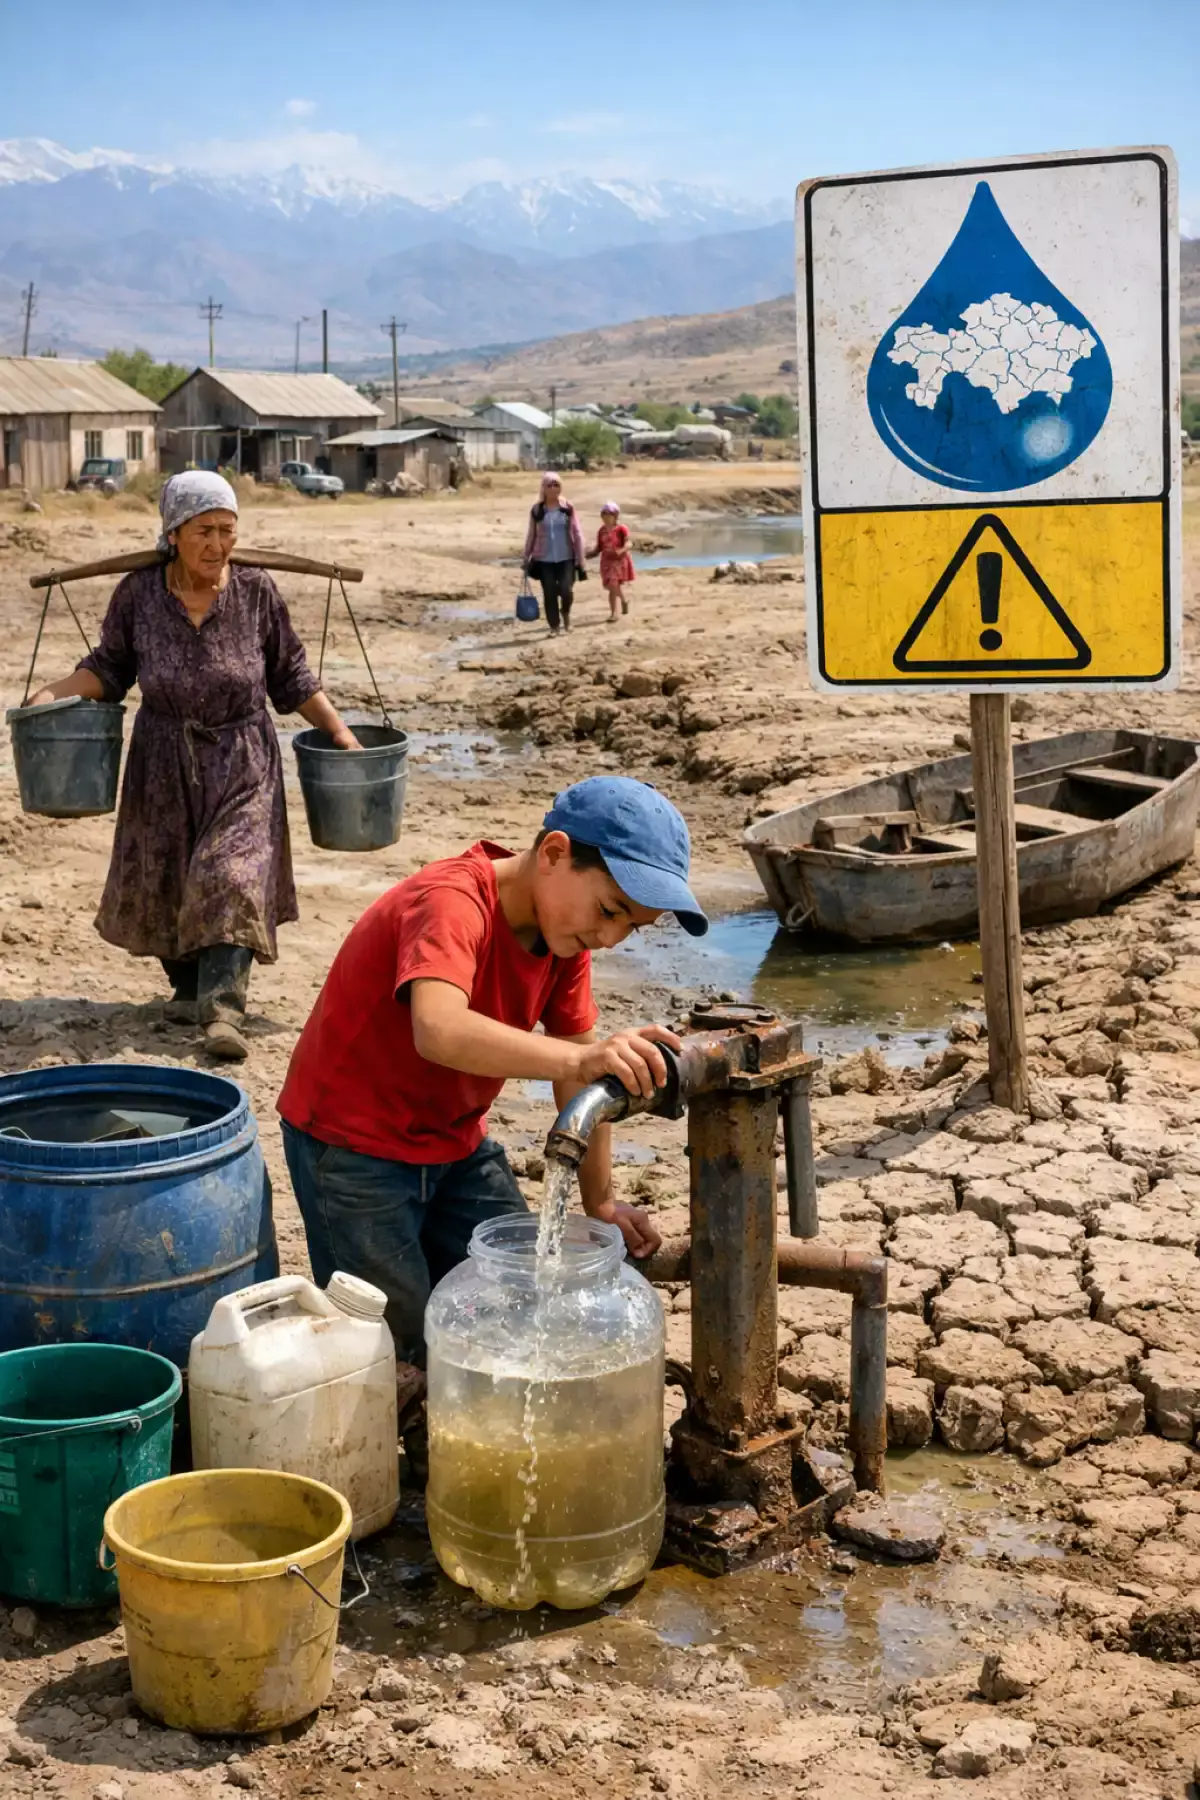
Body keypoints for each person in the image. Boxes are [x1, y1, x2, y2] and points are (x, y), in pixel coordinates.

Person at [277, 775, 709, 1371]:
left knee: (523, 1291)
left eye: (630, 927)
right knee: (392, 1337)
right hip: (351, 1147)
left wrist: (601, 1203)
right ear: (555, 853)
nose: (609, 937)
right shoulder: (452, 901)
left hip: (453, 1139)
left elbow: (580, 1073)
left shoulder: (565, 940)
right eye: (608, 911)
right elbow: (439, 1029)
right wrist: (581, 1058)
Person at [27, 470, 360, 1062]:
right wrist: (51, 694)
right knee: (165, 879)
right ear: (174, 534)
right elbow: (108, 669)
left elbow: (292, 676)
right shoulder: (139, 594)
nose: (217, 544)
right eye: (204, 530)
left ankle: (223, 1008)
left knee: (230, 875)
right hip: (161, 761)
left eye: (227, 531)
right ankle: (190, 990)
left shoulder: (256, 591)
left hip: (242, 756)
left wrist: (338, 732)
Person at [522, 471, 586, 636]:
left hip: (566, 558)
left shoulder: (568, 508)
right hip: (544, 559)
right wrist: (526, 555)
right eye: (549, 485)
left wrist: (581, 558)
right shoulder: (537, 510)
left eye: (556, 484)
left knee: (566, 590)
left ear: (561, 487)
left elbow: (577, 533)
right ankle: (554, 626)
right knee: (549, 592)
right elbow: (531, 534)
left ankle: (566, 614)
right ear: (543, 488)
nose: (553, 488)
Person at [588, 500, 635, 622]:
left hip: (618, 562)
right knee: (609, 586)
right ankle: (623, 602)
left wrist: (622, 550)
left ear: (615, 516)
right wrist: (588, 554)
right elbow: (599, 547)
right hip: (606, 562)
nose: (606, 517)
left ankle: (614, 613)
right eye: (604, 515)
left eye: (609, 514)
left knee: (613, 584)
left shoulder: (621, 529)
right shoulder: (601, 531)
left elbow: (629, 542)